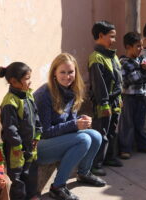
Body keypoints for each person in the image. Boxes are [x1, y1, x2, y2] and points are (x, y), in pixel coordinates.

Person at [34, 53, 106, 200]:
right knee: (84, 139)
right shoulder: (44, 95)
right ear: (54, 72)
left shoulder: (72, 90)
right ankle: (57, 187)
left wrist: (81, 121)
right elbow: (45, 132)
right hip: (40, 146)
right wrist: (75, 124)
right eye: (62, 72)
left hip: (58, 140)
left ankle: (83, 173)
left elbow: (68, 121)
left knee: (96, 136)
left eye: (70, 72)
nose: (67, 76)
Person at [0, 62, 41, 200]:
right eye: (26, 78)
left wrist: (38, 134)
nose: (30, 81)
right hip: (15, 148)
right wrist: (17, 145)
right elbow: (10, 128)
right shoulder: (10, 102)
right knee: (17, 177)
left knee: (31, 172)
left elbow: (36, 116)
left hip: (31, 144)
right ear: (14, 81)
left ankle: (32, 195)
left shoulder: (28, 95)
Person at [88, 20, 123, 176]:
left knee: (112, 131)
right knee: (101, 133)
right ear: (101, 36)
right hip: (104, 103)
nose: (114, 40)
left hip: (115, 101)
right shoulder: (96, 58)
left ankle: (109, 157)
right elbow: (99, 85)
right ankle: (95, 164)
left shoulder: (112, 56)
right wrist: (104, 105)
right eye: (112, 36)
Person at [118, 32, 146, 159]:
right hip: (129, 97)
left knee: (140, 122)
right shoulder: (124, 62)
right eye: (137, 46)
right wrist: (144, 73)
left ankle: (143, 144)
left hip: (141, 96)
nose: (141, 49)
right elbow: (132, 79)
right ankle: (125, 148)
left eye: (141, 46)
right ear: (128, 47)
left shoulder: (142, 60)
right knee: (127, 123)